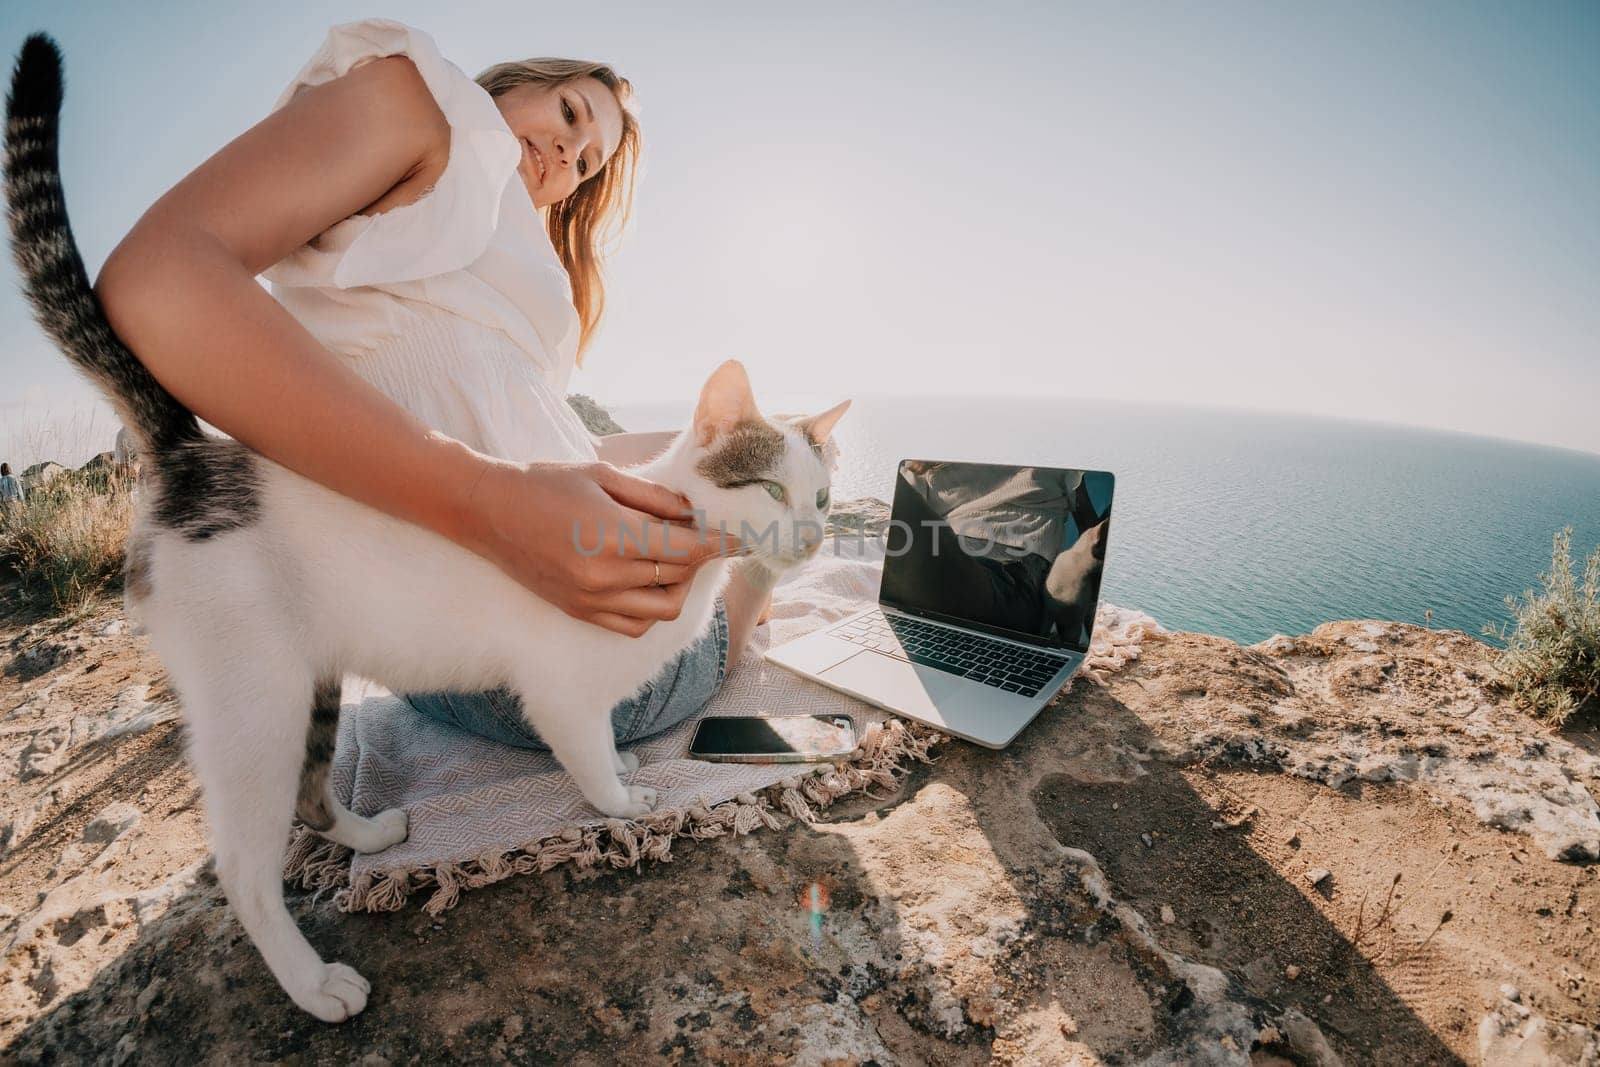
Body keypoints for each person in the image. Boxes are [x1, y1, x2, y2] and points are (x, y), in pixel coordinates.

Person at [93, 18, 772, 750]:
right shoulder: (424, 107)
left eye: (586, 164)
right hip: (521, 657)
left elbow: (536, 439)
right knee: (749, 570)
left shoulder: (504, 261)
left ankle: (754, 575)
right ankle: (758, 593)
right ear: (516, 83)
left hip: (477, 660)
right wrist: (489, 503)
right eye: (571, 114)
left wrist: (703, 450)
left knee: (741, 517)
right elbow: (156, 282)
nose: (570, 152)